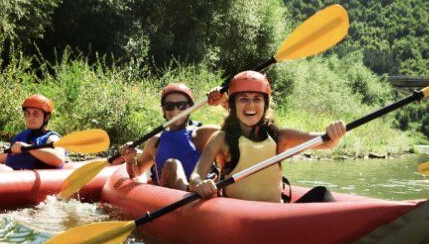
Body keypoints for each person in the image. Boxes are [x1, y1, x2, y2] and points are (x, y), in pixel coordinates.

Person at [189, 71, 346, 203]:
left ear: (265, 105)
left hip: (275, 214)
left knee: (322, 194)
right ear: (233, 105)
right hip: (238, 215)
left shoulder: (280, 137)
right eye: (243, 99)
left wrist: (335, 133)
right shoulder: (221, 139)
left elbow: (327, 143)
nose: (251, 105)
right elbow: (195, 176)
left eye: (257, 99)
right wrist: (200, 185)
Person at [117, 83, 220, 190]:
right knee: (171, 165)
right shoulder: (156, 141)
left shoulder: (203, 134)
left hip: (205, 192)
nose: (175, 111)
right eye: (169, 106)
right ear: (163, 110)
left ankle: (197, 188)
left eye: (181, 106)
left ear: (190, 107)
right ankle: (190, 189)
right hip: (173, 195)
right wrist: (130, 159)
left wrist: (225, 103)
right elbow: (136, 173)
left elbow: (236, 136)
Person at [0, 94, 65, 171]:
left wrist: (27, 147)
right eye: (27, 113)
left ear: (47, 117)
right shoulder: (20, 137)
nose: (30, 118)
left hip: (38, 184)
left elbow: (59, 159)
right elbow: (0, 158)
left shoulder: (52, 138)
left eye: (36, 114)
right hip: (12, 180)